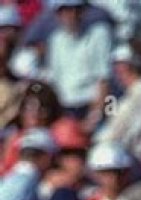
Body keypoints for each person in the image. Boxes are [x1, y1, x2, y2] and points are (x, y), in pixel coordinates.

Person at [44, 0, 112, 131]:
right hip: (65, 109)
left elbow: (104, 80)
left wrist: (94, 118)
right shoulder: (55, 40)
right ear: (58, 14)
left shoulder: (99, 34)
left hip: (91, 106)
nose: (72, 15)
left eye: (76, 9)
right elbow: (54, 80)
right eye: (66, 10)